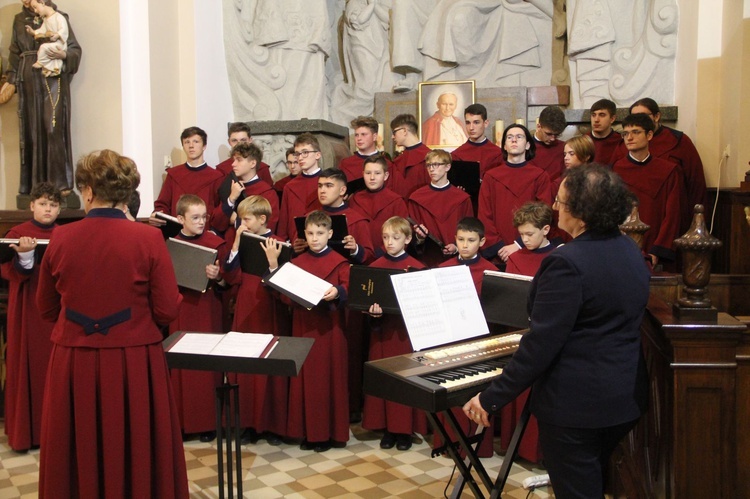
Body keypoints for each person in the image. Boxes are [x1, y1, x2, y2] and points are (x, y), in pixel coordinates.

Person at [463, 164, 650, 499]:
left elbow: (541, 345)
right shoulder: (629, 250)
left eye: (561, 201)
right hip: (623, 397)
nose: (555, 206)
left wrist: (491, 398)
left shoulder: (567, 262)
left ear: (583, 212)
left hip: (577, 406)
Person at [35, 149, 188, 497]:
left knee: (75, 446)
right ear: (125, 193)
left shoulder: (61, 238)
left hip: (75, 360)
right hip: (135, 361)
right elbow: (167, 310)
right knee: (136, 444)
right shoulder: (148, 239)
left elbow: (45, 308)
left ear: (88, 191)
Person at [266, 211, 350, 452]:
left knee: (328, 380)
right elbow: (283, 295)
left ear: (330, 234)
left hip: (330, 330)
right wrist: (274, 267)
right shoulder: (296, 263)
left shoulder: (339, 261)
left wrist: (338, 293)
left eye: (320, 233)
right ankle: (308, 431)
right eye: (310, 233)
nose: (314, 238)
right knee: (307, 380)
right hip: (303, 326)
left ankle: (329, 433)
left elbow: (348, 287)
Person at [1, 182, 60, 452]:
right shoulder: (18, 233)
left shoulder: (65, 234)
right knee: (29, 367)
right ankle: (29, 434)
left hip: (58, 312)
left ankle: (56, 432)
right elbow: (10, 273)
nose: (48, 209)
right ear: (32, 205)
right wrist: (24, 257)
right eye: (43, 204)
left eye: (53, 204)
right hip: (27, 311)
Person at [223, 196, 287, 446]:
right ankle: (246, 422)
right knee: (245, 364)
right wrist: (237, 243)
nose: (242, 223)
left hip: (270, 306)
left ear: (262, 219)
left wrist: (273, 263)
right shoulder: (240, 239)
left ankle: (271, 424)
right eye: (240, 218)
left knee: (271, 363)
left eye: (246, 219)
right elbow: (230, 275)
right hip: (247, 305)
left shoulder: (279, 242)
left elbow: (287, 280)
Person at [1, 0, 82, 195]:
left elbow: (74, 50)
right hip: (28, 79)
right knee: (32, 130)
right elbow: (14, 52)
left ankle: (60, 185)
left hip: (52, 77)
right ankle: (34, 188)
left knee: (53, 127)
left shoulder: (59, 16)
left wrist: (63, 54)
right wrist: (10, 80)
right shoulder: (20, 20)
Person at [362, 216, 427, 451]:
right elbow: (366, 301)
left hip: (406, 335)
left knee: (405, 378)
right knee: (385, 378)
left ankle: (405, 430)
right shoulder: (375, 267)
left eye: (396, 238)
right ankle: (387, 428)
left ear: (408, 239)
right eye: (386, 237)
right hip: (383, 332)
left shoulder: (416, 268)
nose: (389, 242)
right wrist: (373, 313)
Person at [434, 217, 498, 458]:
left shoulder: (491, 271)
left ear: (482, 241)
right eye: (460, 239)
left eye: (471, 240)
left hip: (478, 340)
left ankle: (478, 446)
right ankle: (449, 443)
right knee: (450, 389)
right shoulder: (443, 268)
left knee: (474, 389)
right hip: (450, 340)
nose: (465, 245)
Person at [168, 194, 228, 442]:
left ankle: (206, 423)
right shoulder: (170, 244)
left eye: (204, 217)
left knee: (206, 365)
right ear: (180, 218)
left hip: (207, 308)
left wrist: (217, 276)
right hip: (181, 309)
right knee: (181, 364)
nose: (202, 222)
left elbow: (228, 282)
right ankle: (180, 422)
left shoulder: (216, 243)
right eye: (195, 217)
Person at [628, 97, 707, 234]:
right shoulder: (628, 143)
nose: (638, 122)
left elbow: (695, 182)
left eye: (643, 116)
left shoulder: (679, 141)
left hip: (673, 212)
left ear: (657, 116)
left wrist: (694, 220)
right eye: (634, 117)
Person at [612, 113, 682, 269]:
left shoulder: (668, 171)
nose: (629, 138)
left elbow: (672, 215)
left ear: (649, 135)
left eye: (636, 132)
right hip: (621, 246)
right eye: (625, 133)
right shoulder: (614, 171)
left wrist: (658, 250)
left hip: (656, 246)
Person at [478, 124, 552, 266]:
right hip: (498, 253)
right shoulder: (491, 176)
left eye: (519, 137)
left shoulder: (540, 176)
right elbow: (484, 215)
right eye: (509, 137)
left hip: (528, 249)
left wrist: (519, 244)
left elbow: (544, 214)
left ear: (528, 145)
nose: (514, 140)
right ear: (504, 146)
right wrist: (500, 247)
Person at [407, 149, 473, 266]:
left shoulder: (462, 198)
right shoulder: (416, 198)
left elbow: (469, 230)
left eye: (436, 165)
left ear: (447, 167)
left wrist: (456, 246)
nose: (431, 169)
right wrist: (418, 237)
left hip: (456, 260)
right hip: (426, 259)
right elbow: (410, 233)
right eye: (429, 165)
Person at [150, 126, 223, 220]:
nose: (191, 146)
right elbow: (163, 204)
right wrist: (158, 214)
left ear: (204, 146)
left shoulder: (216, 177)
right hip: (177, 231)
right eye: (187, 142)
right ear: (183, 146)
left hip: (205, 230)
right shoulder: (174, 174)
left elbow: (219, 210)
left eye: (196, 142)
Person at [211, 142, 279, 234]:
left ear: (252, 163)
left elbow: (267, 228)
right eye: (233, 160)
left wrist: (235, 220)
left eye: (239, 160)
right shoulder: (230, 185)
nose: (233, 164)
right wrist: (231, 199)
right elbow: (216, 223)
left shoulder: (267, 192)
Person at [349, 154, 408, 257]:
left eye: (377, 173)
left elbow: (403, 232)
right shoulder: (354, 199)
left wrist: (382, 252)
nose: (372, 178)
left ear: (385, 176)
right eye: (368, 173)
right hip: (359, 256)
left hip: (388, 256)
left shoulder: (396, 201)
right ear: (363, 174)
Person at [276, 133, 325, 242]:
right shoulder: (290, 186)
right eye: (298, 154)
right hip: (296, 244)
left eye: (305, 153)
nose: (300, 158)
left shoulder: (328, 182)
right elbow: (283, 223)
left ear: (317, 155)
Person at [450, 103, 504, 179]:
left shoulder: (498, 153)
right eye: (468, 123)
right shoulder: (457, 155)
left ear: (485, 123)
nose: (471, 127)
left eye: (476, 122)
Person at [505, 202, 558, 276]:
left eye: (529, 234)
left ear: (545, 230)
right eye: (521, 234)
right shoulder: (514, 259)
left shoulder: (558, 258)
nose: (524, 239)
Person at [388, 114, 431, 199]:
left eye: (394, 132)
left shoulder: (430, 157)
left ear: (404, 131)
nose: (392, 137)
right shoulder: (398, 160)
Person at [339, 116, 392, 181]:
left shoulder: (387, 164)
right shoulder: (346, 164)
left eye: (363, 134)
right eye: (356, 135)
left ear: (374, 137)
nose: (359, 138)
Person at [25, 0, 67, 77]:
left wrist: (58, 35)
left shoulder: (59, 16)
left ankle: (40, 62)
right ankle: (54, 70)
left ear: (42, 2)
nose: (35, 11)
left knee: (44, 48)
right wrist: (33, 32)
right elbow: (42, 30)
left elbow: (63, 29)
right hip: (27, 70)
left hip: (58, 44)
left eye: (35, 7)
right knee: (52, 59)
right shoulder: (46, 19)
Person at [532, 106, 567, 182]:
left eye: (557, 135)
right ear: (538, 127)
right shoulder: (525, 148)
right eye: (549, 134)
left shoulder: (564, 148)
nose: (553, 139)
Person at [587, 98, 622, 165]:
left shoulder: (620, 141)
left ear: (612, 119)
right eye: (593, 115)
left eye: (602, 115)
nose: (596, 120)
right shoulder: (582, 141)